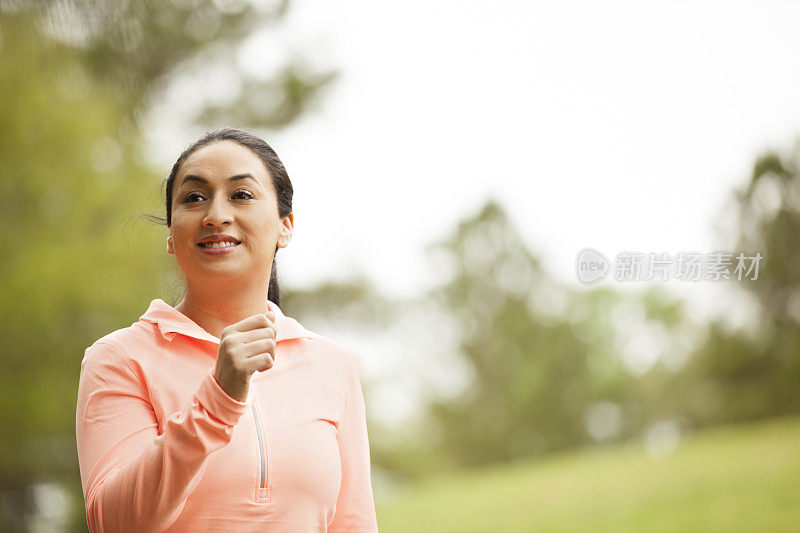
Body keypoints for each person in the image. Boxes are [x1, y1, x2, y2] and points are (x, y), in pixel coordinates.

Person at [75, 128, 379, 532]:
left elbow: (354, 524)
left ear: (285, 227)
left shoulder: (331, 365)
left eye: (241, 195)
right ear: (171, 234)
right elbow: (115, 524)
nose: (215, 214)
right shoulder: (119, 359)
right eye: (194, 198)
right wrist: (217, 399)